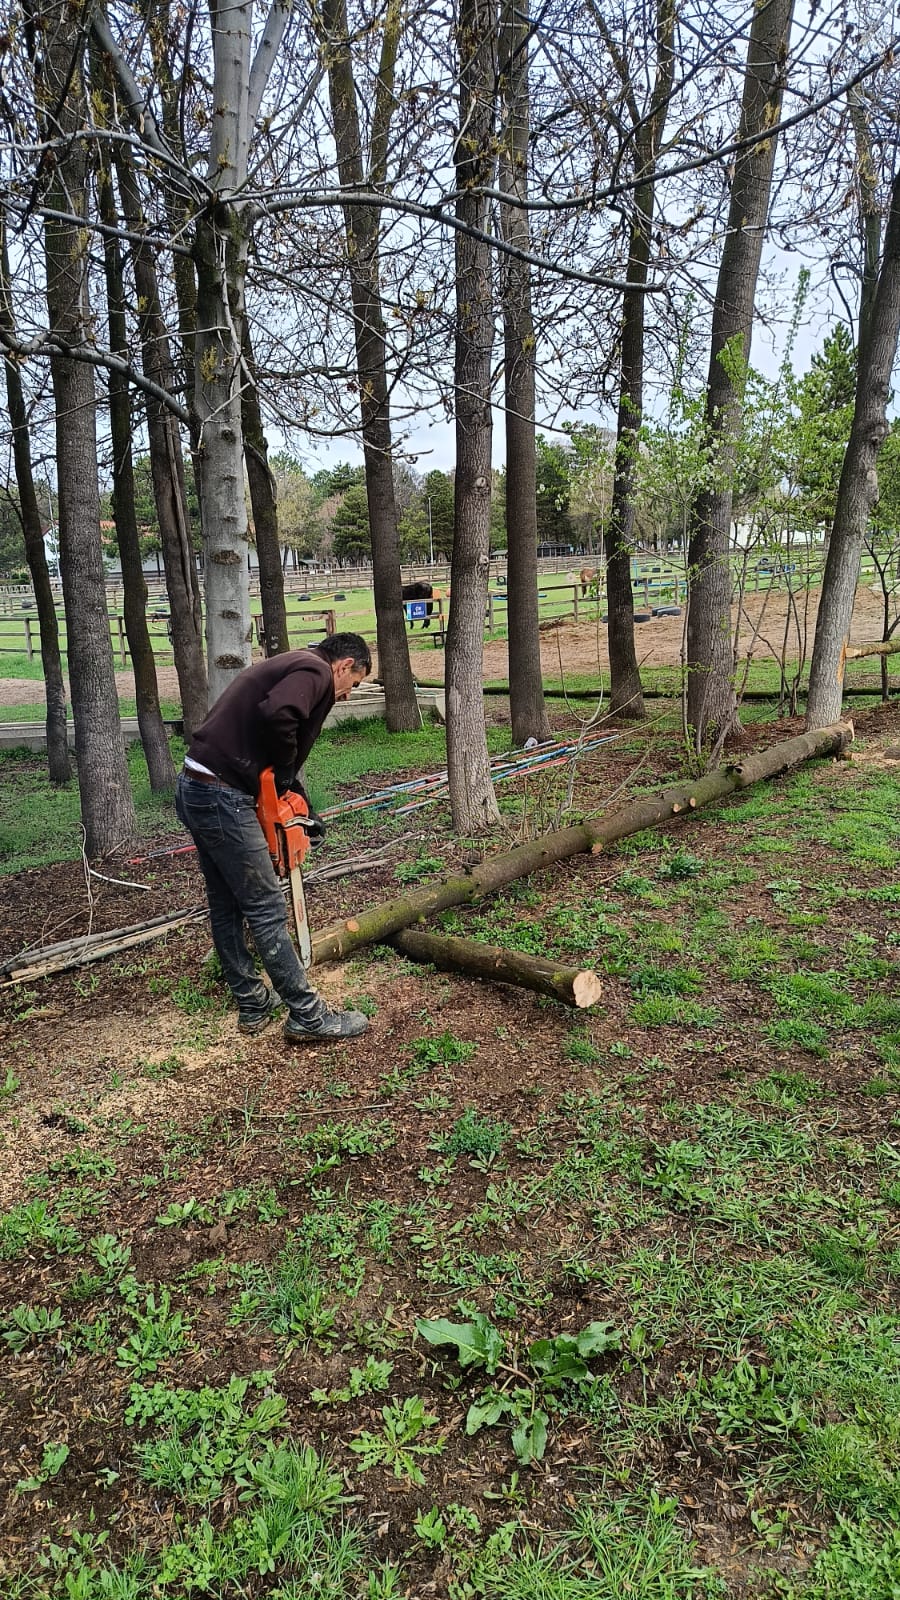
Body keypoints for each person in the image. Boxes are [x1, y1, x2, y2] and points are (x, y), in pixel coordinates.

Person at [175, 632, 373, 1043]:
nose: (348, 694)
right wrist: (285, 771)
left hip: (197, 784)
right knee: (265, 907)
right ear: (343, 666)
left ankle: (252, 1001)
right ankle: (308, 1016)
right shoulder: (316, 671)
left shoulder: (292, 662)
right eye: (353, 683)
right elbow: (279, 715)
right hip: (222, 796)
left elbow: (271, 734)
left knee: (226, 903)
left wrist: (294, 792)